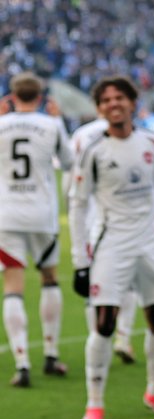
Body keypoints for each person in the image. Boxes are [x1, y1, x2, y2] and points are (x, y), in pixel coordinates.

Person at [69, 76, 154, 419]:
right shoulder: (93, 150)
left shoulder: (150, 142)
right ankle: (95, 402)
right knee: (104, 324)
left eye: (120, 98)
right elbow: (77, 204)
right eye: (106, 100)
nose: (113, 104)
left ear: (132, 103)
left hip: (149, 240)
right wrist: (80, 261)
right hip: (110, 242)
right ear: (100, 108)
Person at [0, 72, 72, 387]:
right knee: (49, 278)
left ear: (11, 96)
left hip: (7, 216)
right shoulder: (51, 124)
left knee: (13, 286)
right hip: (42, 214)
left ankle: (22, 363)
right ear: (42, 96)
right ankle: (51, 355)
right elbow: (69, 162)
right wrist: (59, 121)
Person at [69, 115, 140, 364]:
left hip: (91, 222)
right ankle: (123, 336)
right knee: (130, 281)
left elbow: (71, 179)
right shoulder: (131, 133)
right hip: (124, 220)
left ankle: (98, 339)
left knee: (95, 287)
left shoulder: (81, 134)